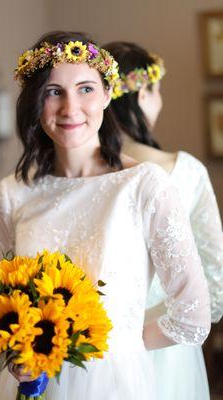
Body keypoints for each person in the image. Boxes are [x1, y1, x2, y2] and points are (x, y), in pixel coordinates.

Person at [0, 31, 211, 400]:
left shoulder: (145, 185)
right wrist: (18, 347)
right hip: (28, 383)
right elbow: (5, 303)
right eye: (53, 91)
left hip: (115, 384)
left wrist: (111, 347)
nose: (70, 108)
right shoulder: (12, 193)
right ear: (35, 102)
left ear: (108, 94)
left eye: (86, 89)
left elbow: (192, 317)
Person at [104, 40, 223, 400]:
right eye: (158, 91)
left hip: (94, 344)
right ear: (142, 95)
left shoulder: (82, 171)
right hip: (169, 348)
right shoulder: (185, 172)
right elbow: (214, 287)